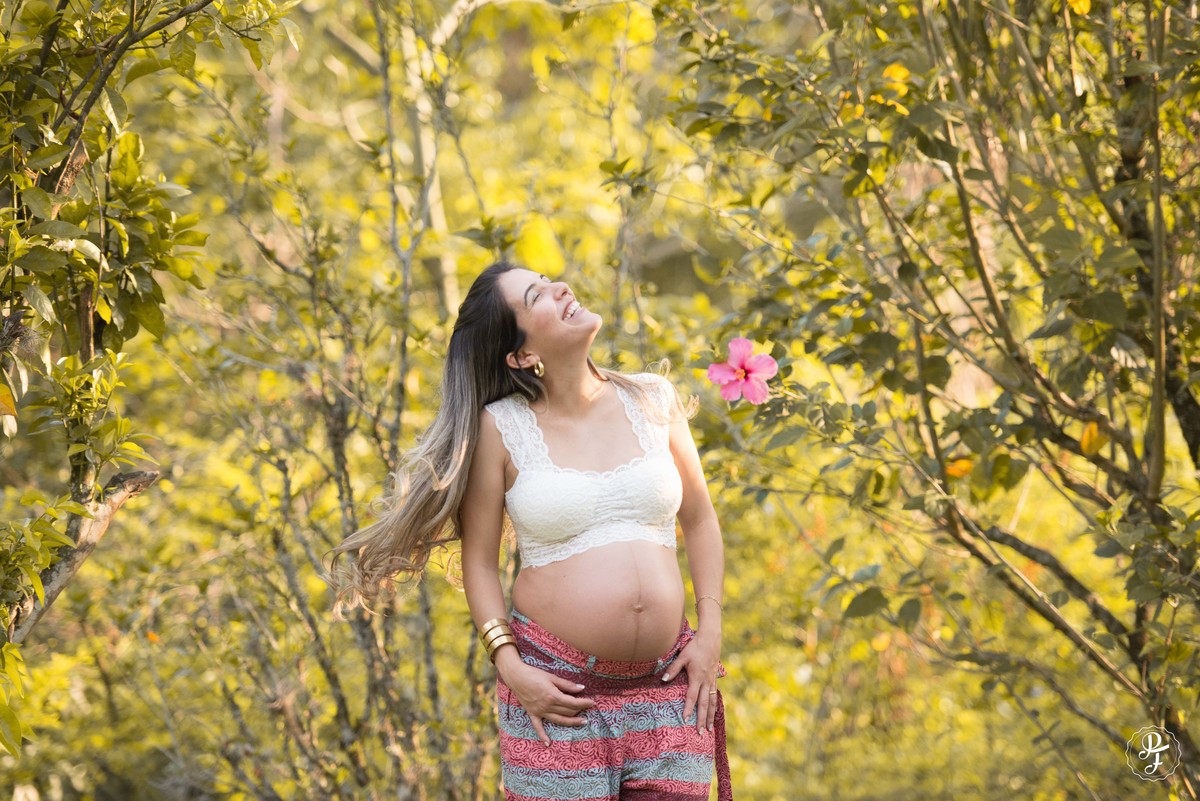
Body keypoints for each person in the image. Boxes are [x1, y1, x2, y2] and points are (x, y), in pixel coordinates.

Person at [328, 260, 732, 800]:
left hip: (668, 688)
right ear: (521, 355)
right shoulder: (501, 427)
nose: (561, 288)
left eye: (548, 280)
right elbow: (479, 563)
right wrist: (510, 665)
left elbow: (701, 519)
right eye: (537, 295)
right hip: (557, 695)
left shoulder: (653, 398)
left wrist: (710, 634)